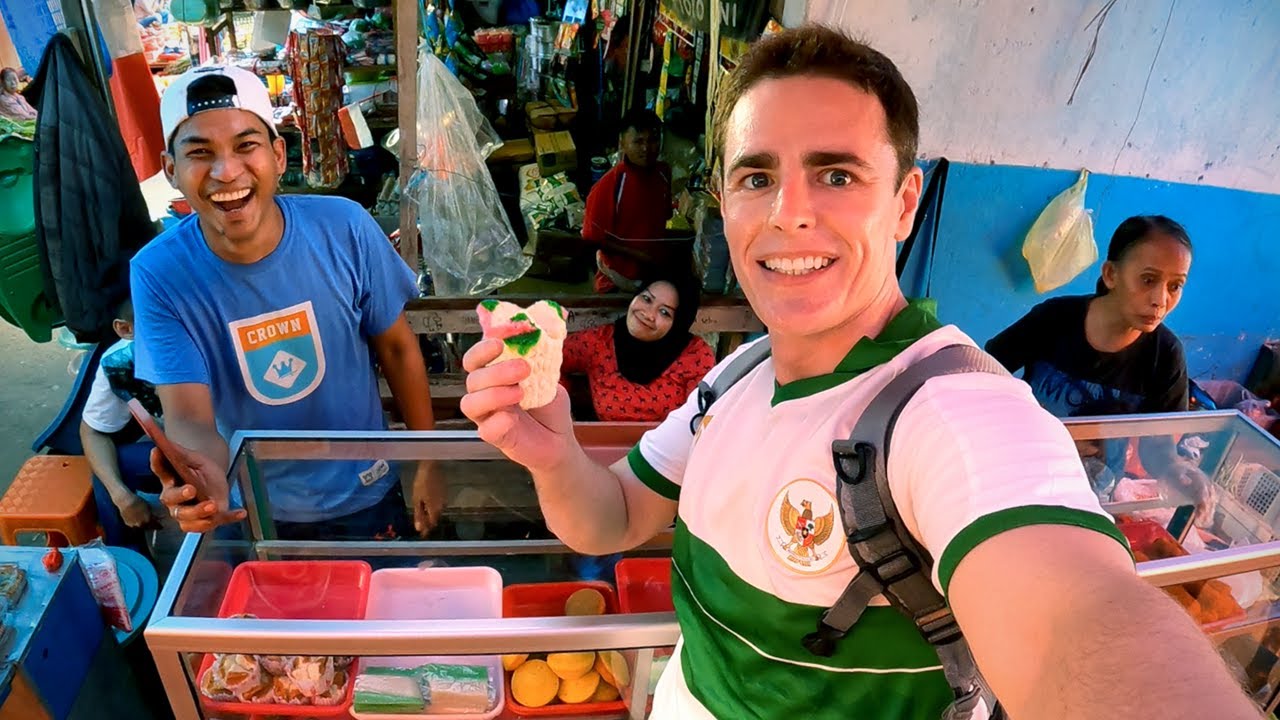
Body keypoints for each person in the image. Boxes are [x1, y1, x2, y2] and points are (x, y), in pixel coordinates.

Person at [459, 25, 1255, 720]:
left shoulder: (952, 414)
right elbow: (611, 519)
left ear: (906, 203)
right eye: (757, 176)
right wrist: (552, 452)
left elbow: (1083, 627)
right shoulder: (739, 373)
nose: (788, 213)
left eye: (837, 175)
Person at [140, 65, 438, 540]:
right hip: (253, 504)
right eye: (200, 153)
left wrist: (427, 461)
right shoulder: (158, 273)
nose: (226, 172)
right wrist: (204, 480)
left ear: (278, 154)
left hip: (366, 486)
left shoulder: (345, 227)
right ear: (171, 169)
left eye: (246, 146)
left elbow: (398, 348)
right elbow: (188, 415)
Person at [985, 216, 1212, 518]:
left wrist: (1176, 472)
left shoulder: (1165, 355)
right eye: (1148, 280)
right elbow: (984, 377)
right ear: (1110, 274)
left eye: (1175, 286)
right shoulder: (1054, 319)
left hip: (1088, 496)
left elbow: (1157, 448)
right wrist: (1044, 435)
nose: (1161, 299)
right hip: (1020, 473)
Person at [80, 298, 168, 554]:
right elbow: (93, 431)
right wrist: (123, 497)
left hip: (234, 451)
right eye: (158, 325)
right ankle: (131, 569)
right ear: (126, 330)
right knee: (110, 472)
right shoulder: (120, 363)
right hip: (179, 454)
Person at [561, 275, 714, 422]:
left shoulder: (695, 357)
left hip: (670, 447)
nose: (649, 314)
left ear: (679, 322)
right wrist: (562, 415)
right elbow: (545, 358)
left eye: (664, 312)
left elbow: (699, 420)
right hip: (607, 444)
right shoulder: (599, 342)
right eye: (646, 299)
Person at [581, 108, 673, 294]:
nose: (646, 149)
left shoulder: (663, 173)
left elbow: (665, 215)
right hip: (621, 275)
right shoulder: (610, 184)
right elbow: (591, 238)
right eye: (638, 142)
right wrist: (639, 255)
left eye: (653, 140)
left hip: (653, 268)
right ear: (622, 143)